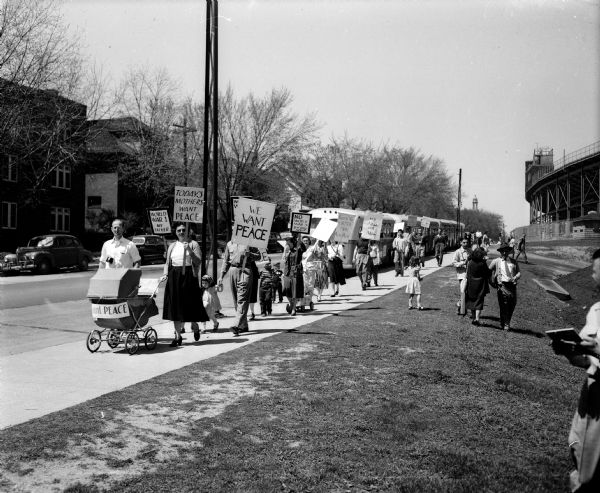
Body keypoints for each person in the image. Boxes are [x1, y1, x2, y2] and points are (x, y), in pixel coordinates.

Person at [552, 249, 600, 492]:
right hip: (591, 393)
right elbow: (584, 360)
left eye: (597, 273)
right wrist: (569, 351)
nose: (594, 278)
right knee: (578, 449)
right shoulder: (595, 311)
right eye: (594, 272)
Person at [161, 224, 208, 346]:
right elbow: (167, 263)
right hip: (174, 276)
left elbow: (198, 261)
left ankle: (195, 326)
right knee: (175, 306)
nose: (181, 232)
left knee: (189, 304)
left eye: (183, 230)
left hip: (188, 276)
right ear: (176, 232)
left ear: (188, 231)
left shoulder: (193, 244)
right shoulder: (172, 245)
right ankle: (178, 336)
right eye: (179, 230)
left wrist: (189, 251)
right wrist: (165, 274)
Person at [217, 240, 261, 336]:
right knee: (237, 300)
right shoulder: (229, 244)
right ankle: (243, 325)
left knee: (242, 298)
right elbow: (226, 261)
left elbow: (259, 256)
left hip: (245, 270)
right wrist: (221, 276)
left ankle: (236, 325)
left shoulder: (250, 242)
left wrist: (250, 254)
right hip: (233, 271)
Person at [489, 242, 521, 331]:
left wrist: (516, 277)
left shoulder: (513, 261)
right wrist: (491, 282)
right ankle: (506, 324)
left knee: (512, 304)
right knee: (504, 304)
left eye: (506, 251)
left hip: (512, 286)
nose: (504, 253)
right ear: (500, 252)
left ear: (508, 251)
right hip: (502, 285)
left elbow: (519, 272)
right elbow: (488, 271)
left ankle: (505, 321)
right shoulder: (496, 261)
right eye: (502, 251)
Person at [464, 247, 491, 326]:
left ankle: (473, 318)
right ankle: (477, 319)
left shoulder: (470, 262)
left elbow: (468, 274)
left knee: (472, 301)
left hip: (471, 284)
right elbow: (487, 273)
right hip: (480, 284)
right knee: (479, 302)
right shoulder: (482, 263)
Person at [281, 236, 305, 315]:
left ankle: (294, 309)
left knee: (294, 291)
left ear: (292, 242)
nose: (287, 243)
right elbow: (284, 262)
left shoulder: (298, 250)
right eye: (286, 242)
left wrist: (300, 240)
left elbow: (304, 249)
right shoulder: (286, 251)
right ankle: (291, 304)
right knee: (286, 291)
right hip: (287, 273)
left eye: (288, 241)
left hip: (295, 272)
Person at [452, 238, 471, 315]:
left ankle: (462, 307)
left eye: (467, 242)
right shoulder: (458, 252)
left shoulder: (470, 251)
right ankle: (460, 306)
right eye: (464, 242)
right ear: (460, 243)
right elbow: (454, 263)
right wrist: (462, 263)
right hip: (462, 274)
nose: (465, 244)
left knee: (468, 292)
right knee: (463, 291)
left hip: (469, 274)